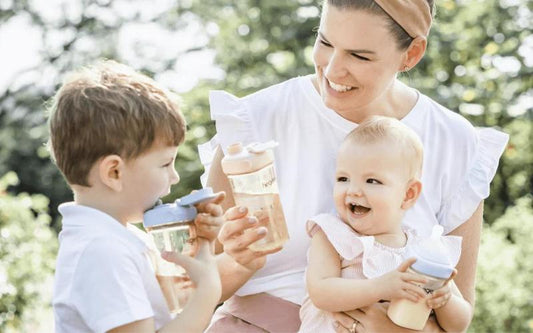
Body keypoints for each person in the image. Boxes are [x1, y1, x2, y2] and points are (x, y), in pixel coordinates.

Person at [199, 0, 509, 331]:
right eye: (325, 42)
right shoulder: (255, 123)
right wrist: (238, 261)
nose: (332, 70)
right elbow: (192, 285)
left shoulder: (453, 140)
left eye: (359, 56)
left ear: (412, 54)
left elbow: (456, 304)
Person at [49, 60, 225, 333]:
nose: (175, 177)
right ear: (115, 172)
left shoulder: (120, 238)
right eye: (166, 164)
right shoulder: (102, 252)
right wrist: (208, 292)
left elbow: (176, 310)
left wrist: (201, 246)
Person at [299, 116, 471, 333]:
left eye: (372, 181)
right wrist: (379, 287)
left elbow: (458, 326)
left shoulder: (424, 252)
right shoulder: (332, 234)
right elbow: (320, 291)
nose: (353, 190)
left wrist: (445, 300)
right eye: (343, 179)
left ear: (408, 194)